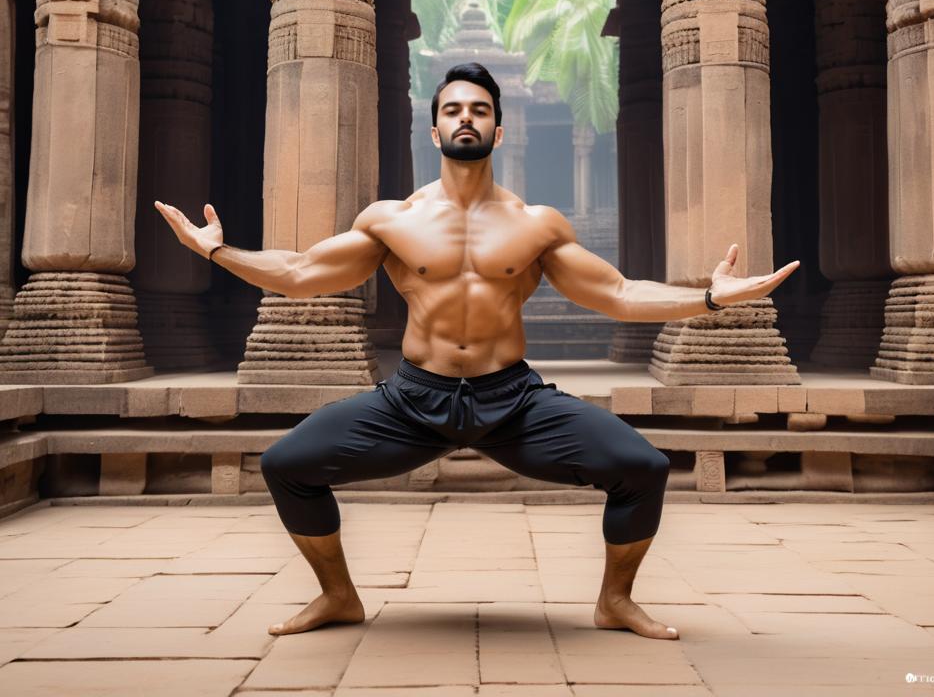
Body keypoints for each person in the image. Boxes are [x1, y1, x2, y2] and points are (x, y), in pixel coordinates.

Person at [156, 61, 799, 642]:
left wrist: (709, 299)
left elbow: (621, 294)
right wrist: (215, 250)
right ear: (435, 132)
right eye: (453, 110)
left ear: (499, 125)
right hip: (414, 398)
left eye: (480, 109)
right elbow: (298, 272)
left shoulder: (535, 224)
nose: (467, 119)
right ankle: (338, 595)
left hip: (510, 399)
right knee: (287, 463)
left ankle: (615, 601)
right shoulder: (392, 220)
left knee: (643, 467)